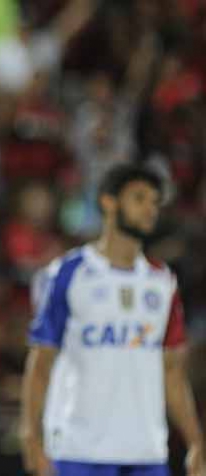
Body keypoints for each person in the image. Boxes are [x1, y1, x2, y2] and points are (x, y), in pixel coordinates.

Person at [19, 162, 205, 476]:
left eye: (154, 202)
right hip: (77, 448)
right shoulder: (69, 273)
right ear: (109, 202)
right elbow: (41, 364)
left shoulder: (162, 283)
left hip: (146, 451)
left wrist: (195, 441)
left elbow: (172, 371)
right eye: (139, 198)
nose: (150, 209)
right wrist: (30, 435)